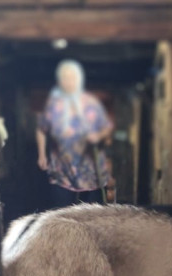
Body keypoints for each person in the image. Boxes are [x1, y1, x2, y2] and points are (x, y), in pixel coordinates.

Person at [36, 59, 114, 207]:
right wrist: (42, 155)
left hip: (91, 171)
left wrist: (97, 136)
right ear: (60, 80)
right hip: (62, 170)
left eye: (72, 77)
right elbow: (41, 129)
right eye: (65, 77)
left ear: (79, 79)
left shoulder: (90, 103)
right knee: (62, 215)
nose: (68, 81)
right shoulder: (54, 105)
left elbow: (107, 127)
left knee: (90, 217)